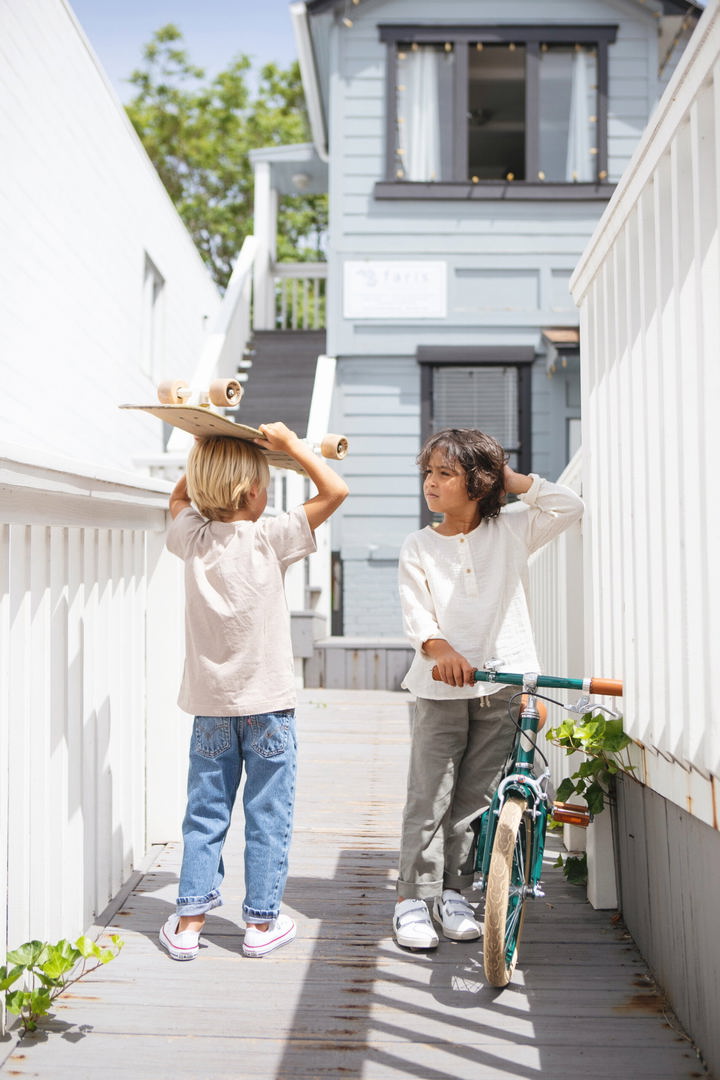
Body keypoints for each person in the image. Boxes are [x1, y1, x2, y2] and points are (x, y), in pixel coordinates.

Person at [159, 424, 348, 961]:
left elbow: (178, 497)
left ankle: (191, 920)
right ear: (252, 494)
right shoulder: (271, 536)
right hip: (269, 710)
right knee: (268, 815)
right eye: (264, 483)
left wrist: (205, 451)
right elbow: (335, 491)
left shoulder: (192, 538)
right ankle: (261, 925)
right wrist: (293, 448)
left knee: (205, 813)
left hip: (211, 711)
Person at [393, 428, 583, 949]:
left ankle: (454, 890)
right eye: (428, 472)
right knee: (430, 795)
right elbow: (418, 615)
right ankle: (413, 896)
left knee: (475, 798)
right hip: (440, 688)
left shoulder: (513, 530)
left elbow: (569, 506)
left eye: (445, 474)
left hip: (503, 684)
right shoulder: (419, 546)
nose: (431, 482)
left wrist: (514, 480)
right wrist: (441, 650)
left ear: (478, 484)